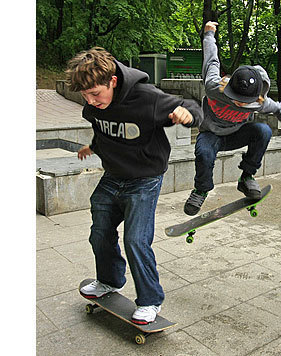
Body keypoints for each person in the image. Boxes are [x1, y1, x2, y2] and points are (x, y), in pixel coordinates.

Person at [65, 47, 202, 324]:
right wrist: (92, 146)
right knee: (99, 233)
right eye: (85, 96)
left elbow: (192, 107)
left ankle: (151, 301)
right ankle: (109, 281)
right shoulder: (95, 105)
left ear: (113, 81)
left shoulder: (147, 98)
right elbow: (105, 128)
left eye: (96, 94)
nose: (91, 101)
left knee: (136, 239)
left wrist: (186, 116)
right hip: (113, 176)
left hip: (145, 179)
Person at [184, 21, 281, 216]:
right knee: (203, 153)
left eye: (244, 102)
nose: (240, 104)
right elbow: (211, 60)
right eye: (236, 99)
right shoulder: (214, 86)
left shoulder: (260, 101)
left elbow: (280, 108)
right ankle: (201, 190)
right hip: (211, 135)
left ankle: (246, 177)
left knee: (263, 131)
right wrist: (208, 34)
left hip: (237, 134)